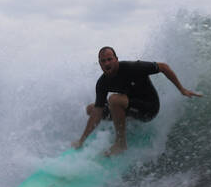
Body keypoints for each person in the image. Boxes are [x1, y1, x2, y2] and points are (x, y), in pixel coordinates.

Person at [72, 46, 202, 156]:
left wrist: (181, 89)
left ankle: (120, 144)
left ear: (116, 60)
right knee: (91, 108)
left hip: (149, 108)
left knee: (114, 100)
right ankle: (125, 122)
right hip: (131, 107)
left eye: (110, 59)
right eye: (103, 61)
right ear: (99, 64)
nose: (107, 63)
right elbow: (97, 112)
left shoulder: (133, 67)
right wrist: (81, 140)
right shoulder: (102, 83)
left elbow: (163, 67)